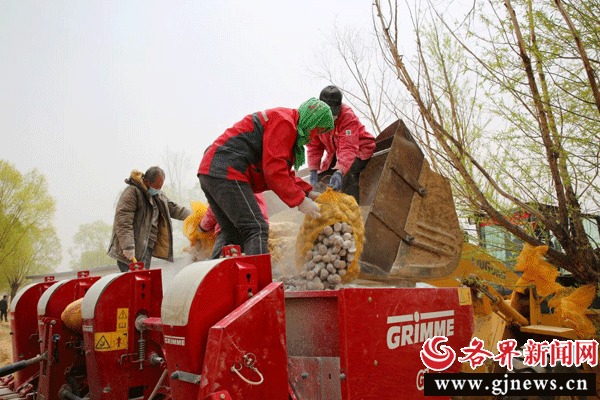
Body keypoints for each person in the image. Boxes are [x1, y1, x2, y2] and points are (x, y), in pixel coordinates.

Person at [197, 97, 334, 257]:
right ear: (311, 120)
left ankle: (220, 280)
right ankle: (258, 281)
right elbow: (274, 171)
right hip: (227, 170)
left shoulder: (286, 123)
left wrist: (308, 193)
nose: (314, 136)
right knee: (256, 228)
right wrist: (301, 202)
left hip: (211, 172)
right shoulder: (285, 123)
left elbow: (283, 171)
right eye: (316, 129)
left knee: (233, 235)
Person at [108, 166, 192, 272]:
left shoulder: (157, 195)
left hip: (147, 247)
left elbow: (174, 208)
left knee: (143, 280)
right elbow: (123, 220)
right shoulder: (133, 192)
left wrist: (193, 216)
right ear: (147, 181)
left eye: (160, 187)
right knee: (133, 282)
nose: (158, 190)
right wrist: (128, 246)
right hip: (131, 251)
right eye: (156, 187)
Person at [307, 85, 376, 203]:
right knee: (321, 179)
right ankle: (325, 214)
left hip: (359, 149)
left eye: (333, 116)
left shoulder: (348, 117)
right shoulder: (314, 119)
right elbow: (314, 147)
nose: (331, 120)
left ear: (339, 108)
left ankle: (351, 213)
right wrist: (313, 170)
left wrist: (340, 172)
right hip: (336, 153)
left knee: (348, 176)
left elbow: (348, 148)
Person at [199, 193, 270, 259]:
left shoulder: (226, 183)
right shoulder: (254, 186)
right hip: (259, 226)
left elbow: (213, 210)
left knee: (216, 263)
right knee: (255, 261)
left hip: (232, 227)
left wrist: (202, 227)